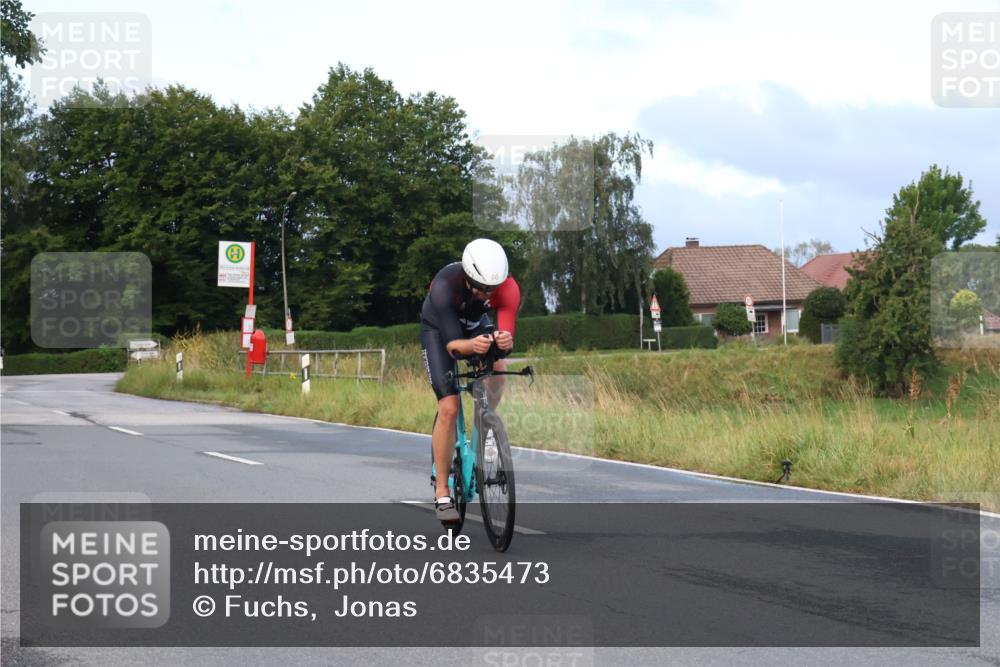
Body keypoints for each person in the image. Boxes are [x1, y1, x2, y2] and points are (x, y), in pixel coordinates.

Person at [420, 238, 521, 521]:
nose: (485, 295)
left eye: (492, 290)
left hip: (476, 326)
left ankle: (484, 425)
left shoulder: (509, 289)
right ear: (467, 276)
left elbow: (505, 341)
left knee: (499, 370)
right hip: (440, 333)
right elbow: (453, 345)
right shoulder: (444, 285)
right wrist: (473, 345)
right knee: (449, 407)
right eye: (480, 288)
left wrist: (502, 340)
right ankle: (442, 491)